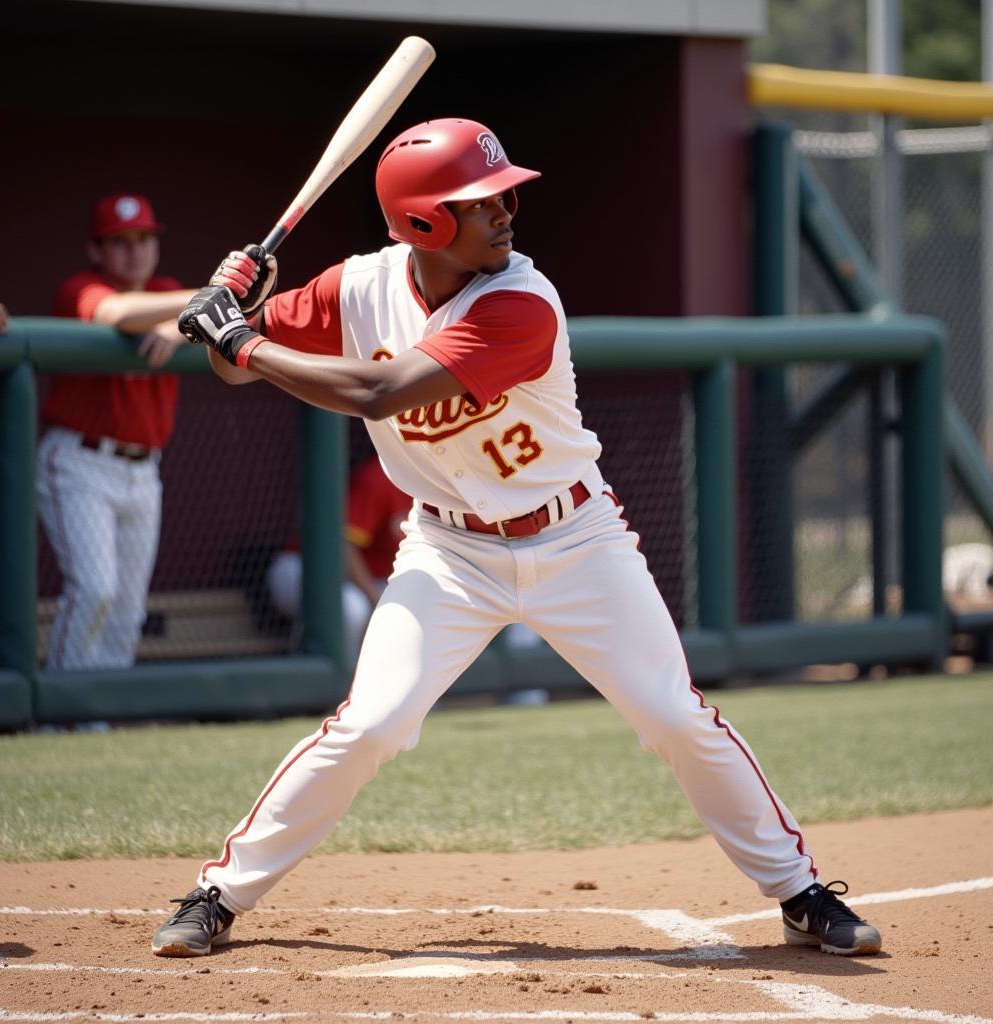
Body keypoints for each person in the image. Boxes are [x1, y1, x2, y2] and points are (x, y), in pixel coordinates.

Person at [151, 118, 882, 959]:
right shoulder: (355, 289)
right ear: (424, 223)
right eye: (482, 201)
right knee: (372, 723)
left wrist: (240, 332)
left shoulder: (520, 301)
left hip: (576, 538)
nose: (507, 212)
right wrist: (231, 308)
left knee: (673, 715)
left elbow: (379, 391)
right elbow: (228, 362)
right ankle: (218, 894)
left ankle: (799, 892)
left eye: (505, 196)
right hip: (447, 551)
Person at [37, 194, 196, 670]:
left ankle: (101, 720)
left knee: (128, 609)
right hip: (81, 462)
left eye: (144, 239)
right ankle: (61, 717)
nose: (134, 251)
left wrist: (184, 326)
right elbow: (116, 314)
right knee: (95, 591)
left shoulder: (166, 289)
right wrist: (198, 308)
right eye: (120, 242)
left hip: (143, 470)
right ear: (96, 250)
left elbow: (235, 319)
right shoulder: (81, 287)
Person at [265, 453, 413, 665]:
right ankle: (345, 685)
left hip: (368, 580)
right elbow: (343, 544)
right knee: (351, 608)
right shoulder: (379, 477)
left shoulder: (440, 486)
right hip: (300, 567)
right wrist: (376, 598)